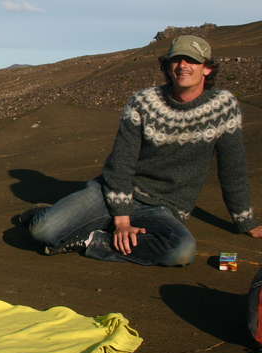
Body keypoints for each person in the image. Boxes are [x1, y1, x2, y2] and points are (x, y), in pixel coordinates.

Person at [23, 35, 262, 265]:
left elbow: (233, 168)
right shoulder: (143, 103)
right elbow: (121, 162)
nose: (183, 66)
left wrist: (245, 221)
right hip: (114, 192)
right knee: (42, 231)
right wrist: (123, 219)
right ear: (167, 67)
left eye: (192, 60)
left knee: (181, 251)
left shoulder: (222, 107)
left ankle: (92, 241)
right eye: (176, 60)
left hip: (165, 207)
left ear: (206, 69)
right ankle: (41, 215)